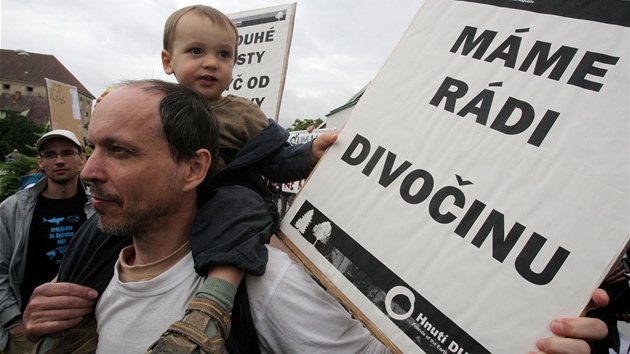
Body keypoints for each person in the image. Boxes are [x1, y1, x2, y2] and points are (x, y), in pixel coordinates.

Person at [22, 80, 610, 354]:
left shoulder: (268, 284)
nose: (89, 170)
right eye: (91, 145)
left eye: (119, 151)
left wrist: (517, 340)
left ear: (195, 168)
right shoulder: (89, 278)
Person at [34, 5, 337, 353]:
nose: (211, 63)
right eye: (196, 51)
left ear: (196, 166)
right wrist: (54, 304)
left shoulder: (242, 114)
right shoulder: (150, 107)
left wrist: (310, 153)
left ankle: (212, 306)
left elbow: (277, 158)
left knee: (239, 206)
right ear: (168, 61)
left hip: (229, 203)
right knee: (94, 232)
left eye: (224, 54)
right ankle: (67, 328)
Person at [0, 130, 94, 354]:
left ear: (82, 159)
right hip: (29, 328)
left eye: (67, 153)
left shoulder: (99, 207)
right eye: (50, 155)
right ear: (40, 162)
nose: (59, 160)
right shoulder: (13, 210)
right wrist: (12, 322)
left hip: (87, 328)